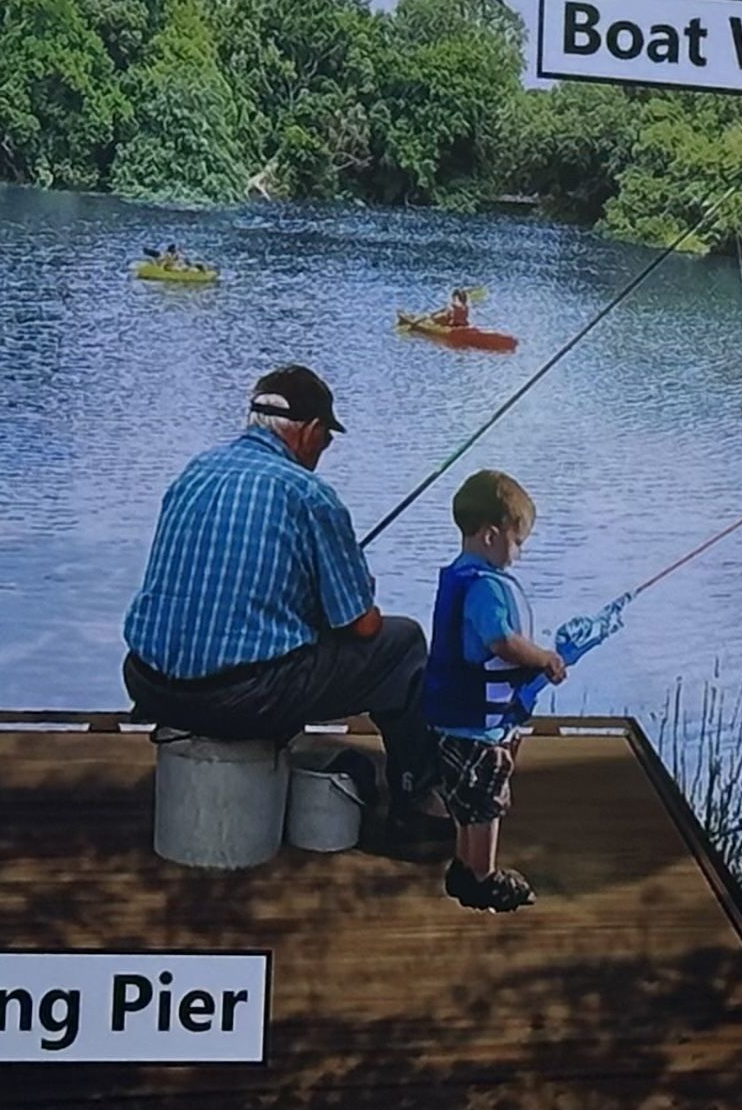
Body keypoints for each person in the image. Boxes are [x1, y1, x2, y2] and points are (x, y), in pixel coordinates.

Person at [122, 365, 435, 820]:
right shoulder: (308, 494)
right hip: (242, 699)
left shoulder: (196, 471)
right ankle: (417, 802)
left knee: (280, 640)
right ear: (309, 431)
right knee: (402, 643)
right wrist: (355, 588)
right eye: (326, 441)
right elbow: (363, 625)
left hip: (148, 681)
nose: (322, 453)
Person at [420, 470, 569, 911]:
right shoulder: (486, 587)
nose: (519, 553)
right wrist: (544, 658)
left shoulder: (458, 577)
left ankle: (463, 868)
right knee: (486, 803)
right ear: (491, 535)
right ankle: (484, 876)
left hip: (452, 718)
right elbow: (501, 642)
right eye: (517, 541)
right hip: (481, 728)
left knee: (463, 801)